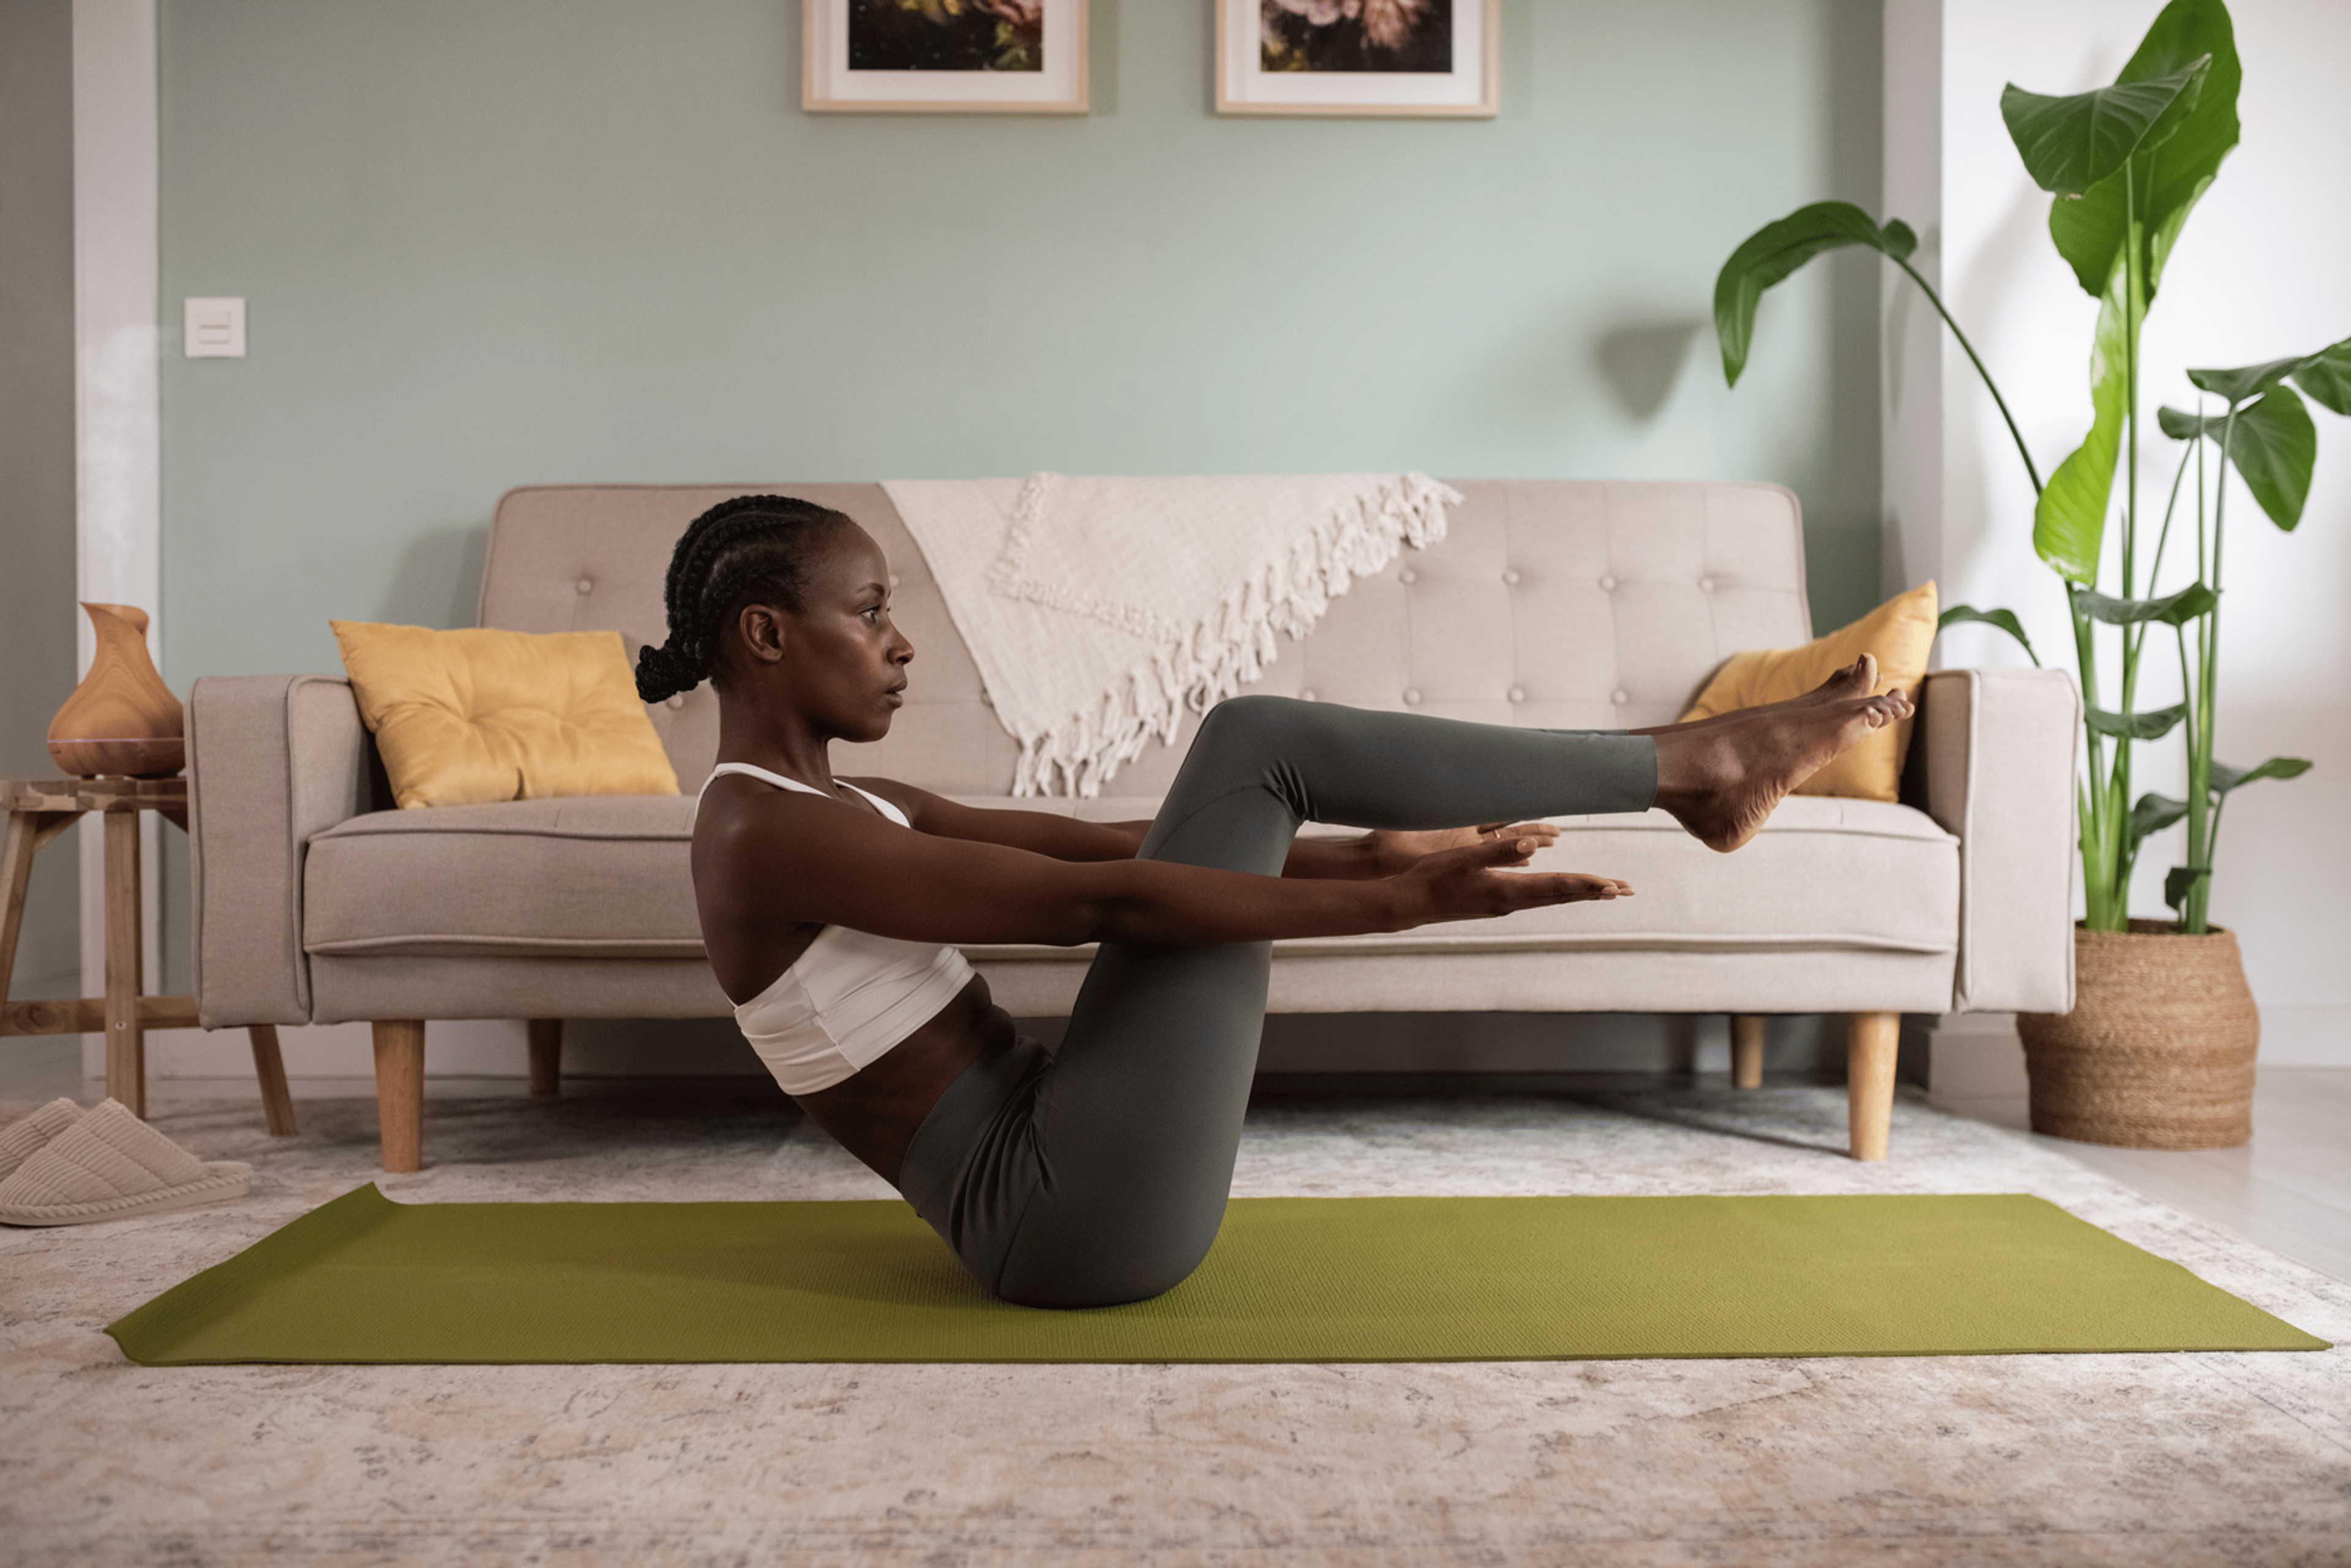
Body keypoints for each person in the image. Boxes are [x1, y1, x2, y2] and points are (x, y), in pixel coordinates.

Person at [633, 495, 1912, 1310]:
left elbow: (1117, 839)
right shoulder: (756, 831)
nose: (901, 642)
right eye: (869, 612)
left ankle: (1691, 768)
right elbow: (1097, 905)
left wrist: (1369, 856)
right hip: (1062, 1218)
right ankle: (1689, 765)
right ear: (763, 635)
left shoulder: (854, 801)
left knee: (1250, 759)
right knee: (1256, 739)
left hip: (1072, 1163)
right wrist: (1400, 907)